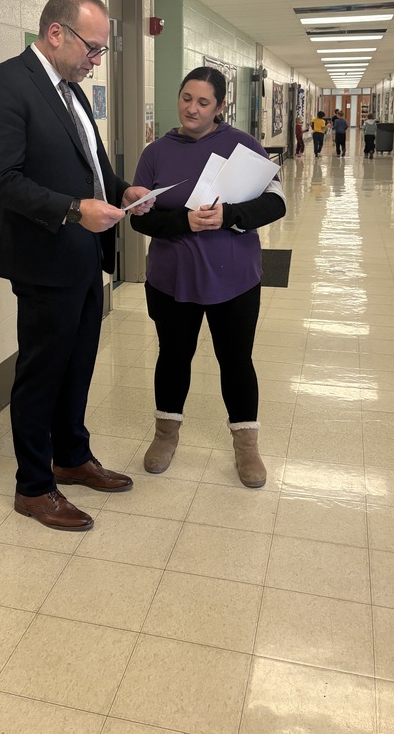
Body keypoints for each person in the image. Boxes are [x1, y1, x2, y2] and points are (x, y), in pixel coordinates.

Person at [0, 0, 153, 532]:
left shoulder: (72, 90)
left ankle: (71, 456)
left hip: (83, 254)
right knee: (42, 371)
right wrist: (75, 211)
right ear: (57, 34)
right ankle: (33, 487)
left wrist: (121, 191)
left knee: (78, 365)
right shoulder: (5, 84)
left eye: (100, 51)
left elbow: (90, 166)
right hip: (43, 257)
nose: (95, 60)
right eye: (92, 48)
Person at [130, 67, 286, 488]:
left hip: (233, 279)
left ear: (219, 107)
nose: (191, 108)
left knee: (235, 361)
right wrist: (184, 222)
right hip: (171, 279)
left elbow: (276, 204)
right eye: (186, 98)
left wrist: (229, 216)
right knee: (172, 357)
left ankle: (246, 446)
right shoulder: (156, 152)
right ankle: (166, 435)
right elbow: (140, 221)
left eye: (203, 102)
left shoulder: (243, 146)